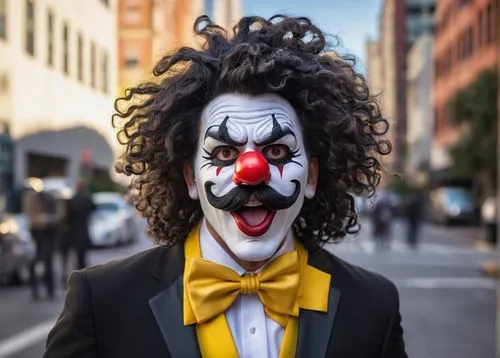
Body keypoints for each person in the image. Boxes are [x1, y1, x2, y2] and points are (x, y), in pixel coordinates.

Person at [44, 15, 407, 357]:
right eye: (224, 153)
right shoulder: (102, 303)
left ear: (311, 177)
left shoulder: (373, 306)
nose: (251, 171)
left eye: (277, 150)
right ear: (190, 177)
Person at [23, 183, 58, 301]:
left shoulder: (45, 199)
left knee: (46, 263)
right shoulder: (32, 199)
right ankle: (40, 291)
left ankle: (47, 291)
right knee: (37, 264)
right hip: (37, 236)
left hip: (44, 235)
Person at [63, 179, 96, 273]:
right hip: (83, 230)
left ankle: (80, 272)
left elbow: (67, 216)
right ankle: (83, 271)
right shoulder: (87, 198)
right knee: (82, 255)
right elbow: (93, 208)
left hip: (74, 231)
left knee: (77, 255)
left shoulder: (72, 200)